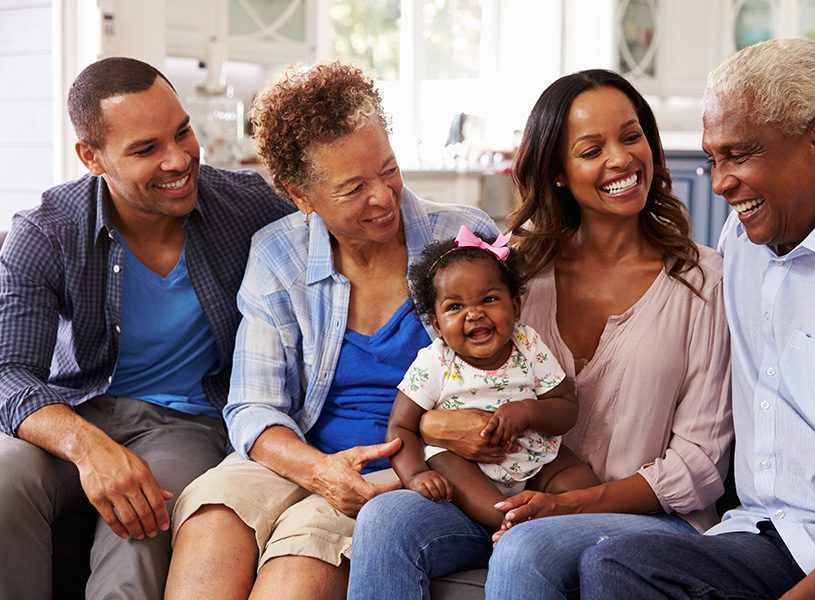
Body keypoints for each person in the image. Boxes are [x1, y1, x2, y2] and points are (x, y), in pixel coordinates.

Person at [348, 68, 733, 600]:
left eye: (631, 136)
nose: (620, 160)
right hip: (514, 498)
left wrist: (562, 507)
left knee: (528, 546)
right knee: (388, 517)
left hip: (643, 517)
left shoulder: (703, 284)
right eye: (591, 149)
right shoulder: (516, 268)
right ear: (557, 171)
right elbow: (448, 379)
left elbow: (701, 467)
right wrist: (437, 427)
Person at [578, 38, 815, 600]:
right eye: (712, 158)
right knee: (617, 567)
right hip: (765, 535)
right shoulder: (745, 239)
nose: (720, 181)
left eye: (739, 154)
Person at [164, 61, 498, 600]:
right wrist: (319, 470)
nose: (384, 197)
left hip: (408, 467)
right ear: (301, 194)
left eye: (388, 169)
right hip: (302, 451)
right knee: (214, 517)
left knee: (301, 555)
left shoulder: (461, 239)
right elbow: (253, 407)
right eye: (353, 188)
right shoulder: (278, 254)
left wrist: (429, 431)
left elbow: (506, 380)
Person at [0, 57, 293, 599]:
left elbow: (345, 225)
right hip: (76, 412)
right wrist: (89, 447)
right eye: (145, 149)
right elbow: (9, 374)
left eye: (181, 131)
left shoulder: (249, 208)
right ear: (92, 157)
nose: (179, 159)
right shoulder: (46, 231)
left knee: (142, 513)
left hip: (188, 424)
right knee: (2, 477)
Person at [389, 225, 599, 528]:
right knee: (450, 464)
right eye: (455, 306)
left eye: (488, 300)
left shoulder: (528, 345)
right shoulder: (436, 361)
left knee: (584, 484)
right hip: (467, 466)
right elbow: (400, 428)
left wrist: (528, 411)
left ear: (514, 307)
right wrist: (416, 474)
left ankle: (546, 523)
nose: (474, 314)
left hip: (537, 458)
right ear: (437, 325)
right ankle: (508, 524)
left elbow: (566, 407)